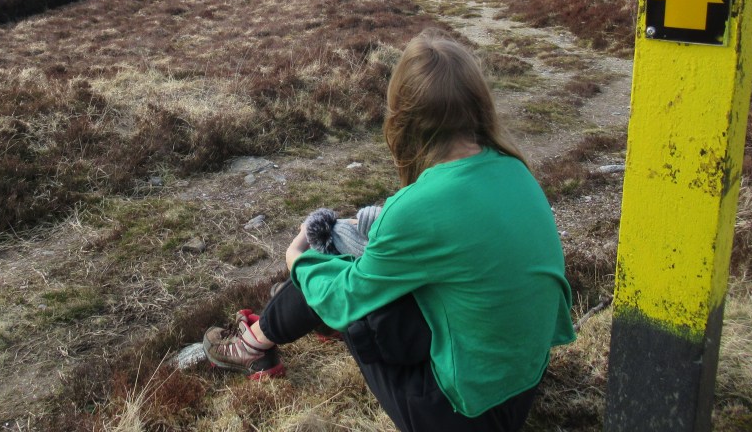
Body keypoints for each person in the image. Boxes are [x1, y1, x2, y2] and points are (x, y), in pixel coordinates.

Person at [203, 28, 575, 432]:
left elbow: (347, 296)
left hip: (463, 413)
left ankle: (251, 345)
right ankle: (277, 329)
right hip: (518, 386)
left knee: (331, 275)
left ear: (404, 116)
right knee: (358, 273)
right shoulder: (514, 170)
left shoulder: (418, 208)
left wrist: (298, 259)